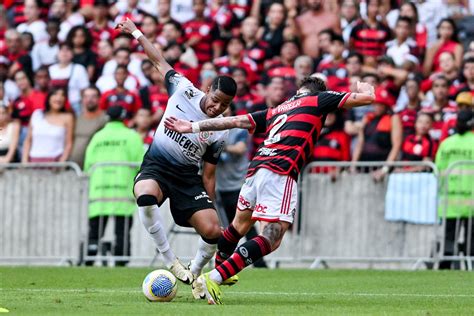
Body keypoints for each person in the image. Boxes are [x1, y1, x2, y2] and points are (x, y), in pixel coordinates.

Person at [164, 76, 375, 304]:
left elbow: (235, 121)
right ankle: (214, 277)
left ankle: (220, 271)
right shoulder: (317, 100)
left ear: (299, 90)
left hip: (255, 171)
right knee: (272, 237)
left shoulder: (277, 110)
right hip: (280, 172)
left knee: (238, 226)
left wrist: (193, 126)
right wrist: (366, 89)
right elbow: (366, 99)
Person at [116, 18, 237, 297]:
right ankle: (170, 260)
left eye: (224, 105)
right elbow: (159, 61)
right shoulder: (183, 89)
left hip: (187, 178)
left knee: (213, 231)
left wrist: (210, 204)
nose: (217, 107)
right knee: (145, 196)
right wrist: (136, 32)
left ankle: (194, 274)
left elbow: (209, 173)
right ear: (207, 89)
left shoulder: (221, 129)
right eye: (215, 99)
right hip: (156, 167)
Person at [83, 105, 144, 267]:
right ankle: (121, 261)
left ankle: (88, 259)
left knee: (94, 232)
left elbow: (88, 165)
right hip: (122, 192)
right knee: (122, 232)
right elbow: (141, 164)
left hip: (99, 192)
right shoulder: (132, 137)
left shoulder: (97, 137)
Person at [215, 106, 267, 268]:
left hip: (238, 185)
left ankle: (259, 263)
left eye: (226, 111)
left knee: (244, 227)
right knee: (230, 229)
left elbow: (240, 148)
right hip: (220, 188)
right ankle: (225, 262)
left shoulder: (238, 129)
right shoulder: (215, 131)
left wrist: (218, 146)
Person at [435, 108, 474, 269]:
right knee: (472, 237)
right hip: (471, 200)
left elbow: (438, 168)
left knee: (449, 236)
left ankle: (445, 266)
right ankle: (470, 264)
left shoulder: (447, 143)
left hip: (450, 199)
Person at [22, 88, 74, 163]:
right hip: (33, 160)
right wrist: (24, 160)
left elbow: (68, 143)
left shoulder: (68, 117)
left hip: (55, 161)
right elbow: (28, 140)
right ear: (49, 97)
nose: (59, 98)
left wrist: (61, 163)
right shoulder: (37, 114)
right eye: (55, 94)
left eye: (62, 95)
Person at [69, 86, 107, 169]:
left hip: (94, 167)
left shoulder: (105, 118)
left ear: (99, 99)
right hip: (73, 166)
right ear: (82, 99)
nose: (89, 99)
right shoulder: (76, 118)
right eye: (86, 96)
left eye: (93, 96)